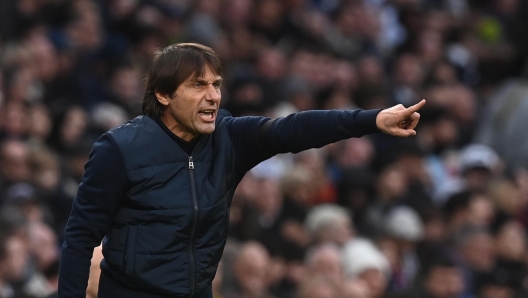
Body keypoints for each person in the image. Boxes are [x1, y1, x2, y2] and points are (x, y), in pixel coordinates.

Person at [58, 42, 426, 298]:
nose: (213, 96)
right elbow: (80, 238)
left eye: (216, 85)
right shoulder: (119, 149)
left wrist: (372, 119)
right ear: (164, 95)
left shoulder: (229, 138)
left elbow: (293, 129)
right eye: (198, 85)